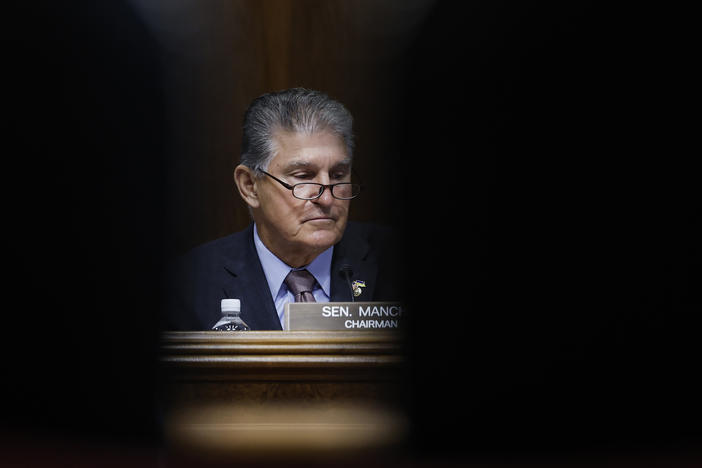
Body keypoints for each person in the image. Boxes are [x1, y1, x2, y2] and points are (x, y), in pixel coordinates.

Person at [165, 88, 401, 330]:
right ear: (250, 186)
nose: (327, 198)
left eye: (338, 175)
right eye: (303, 176)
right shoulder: (189, 284)